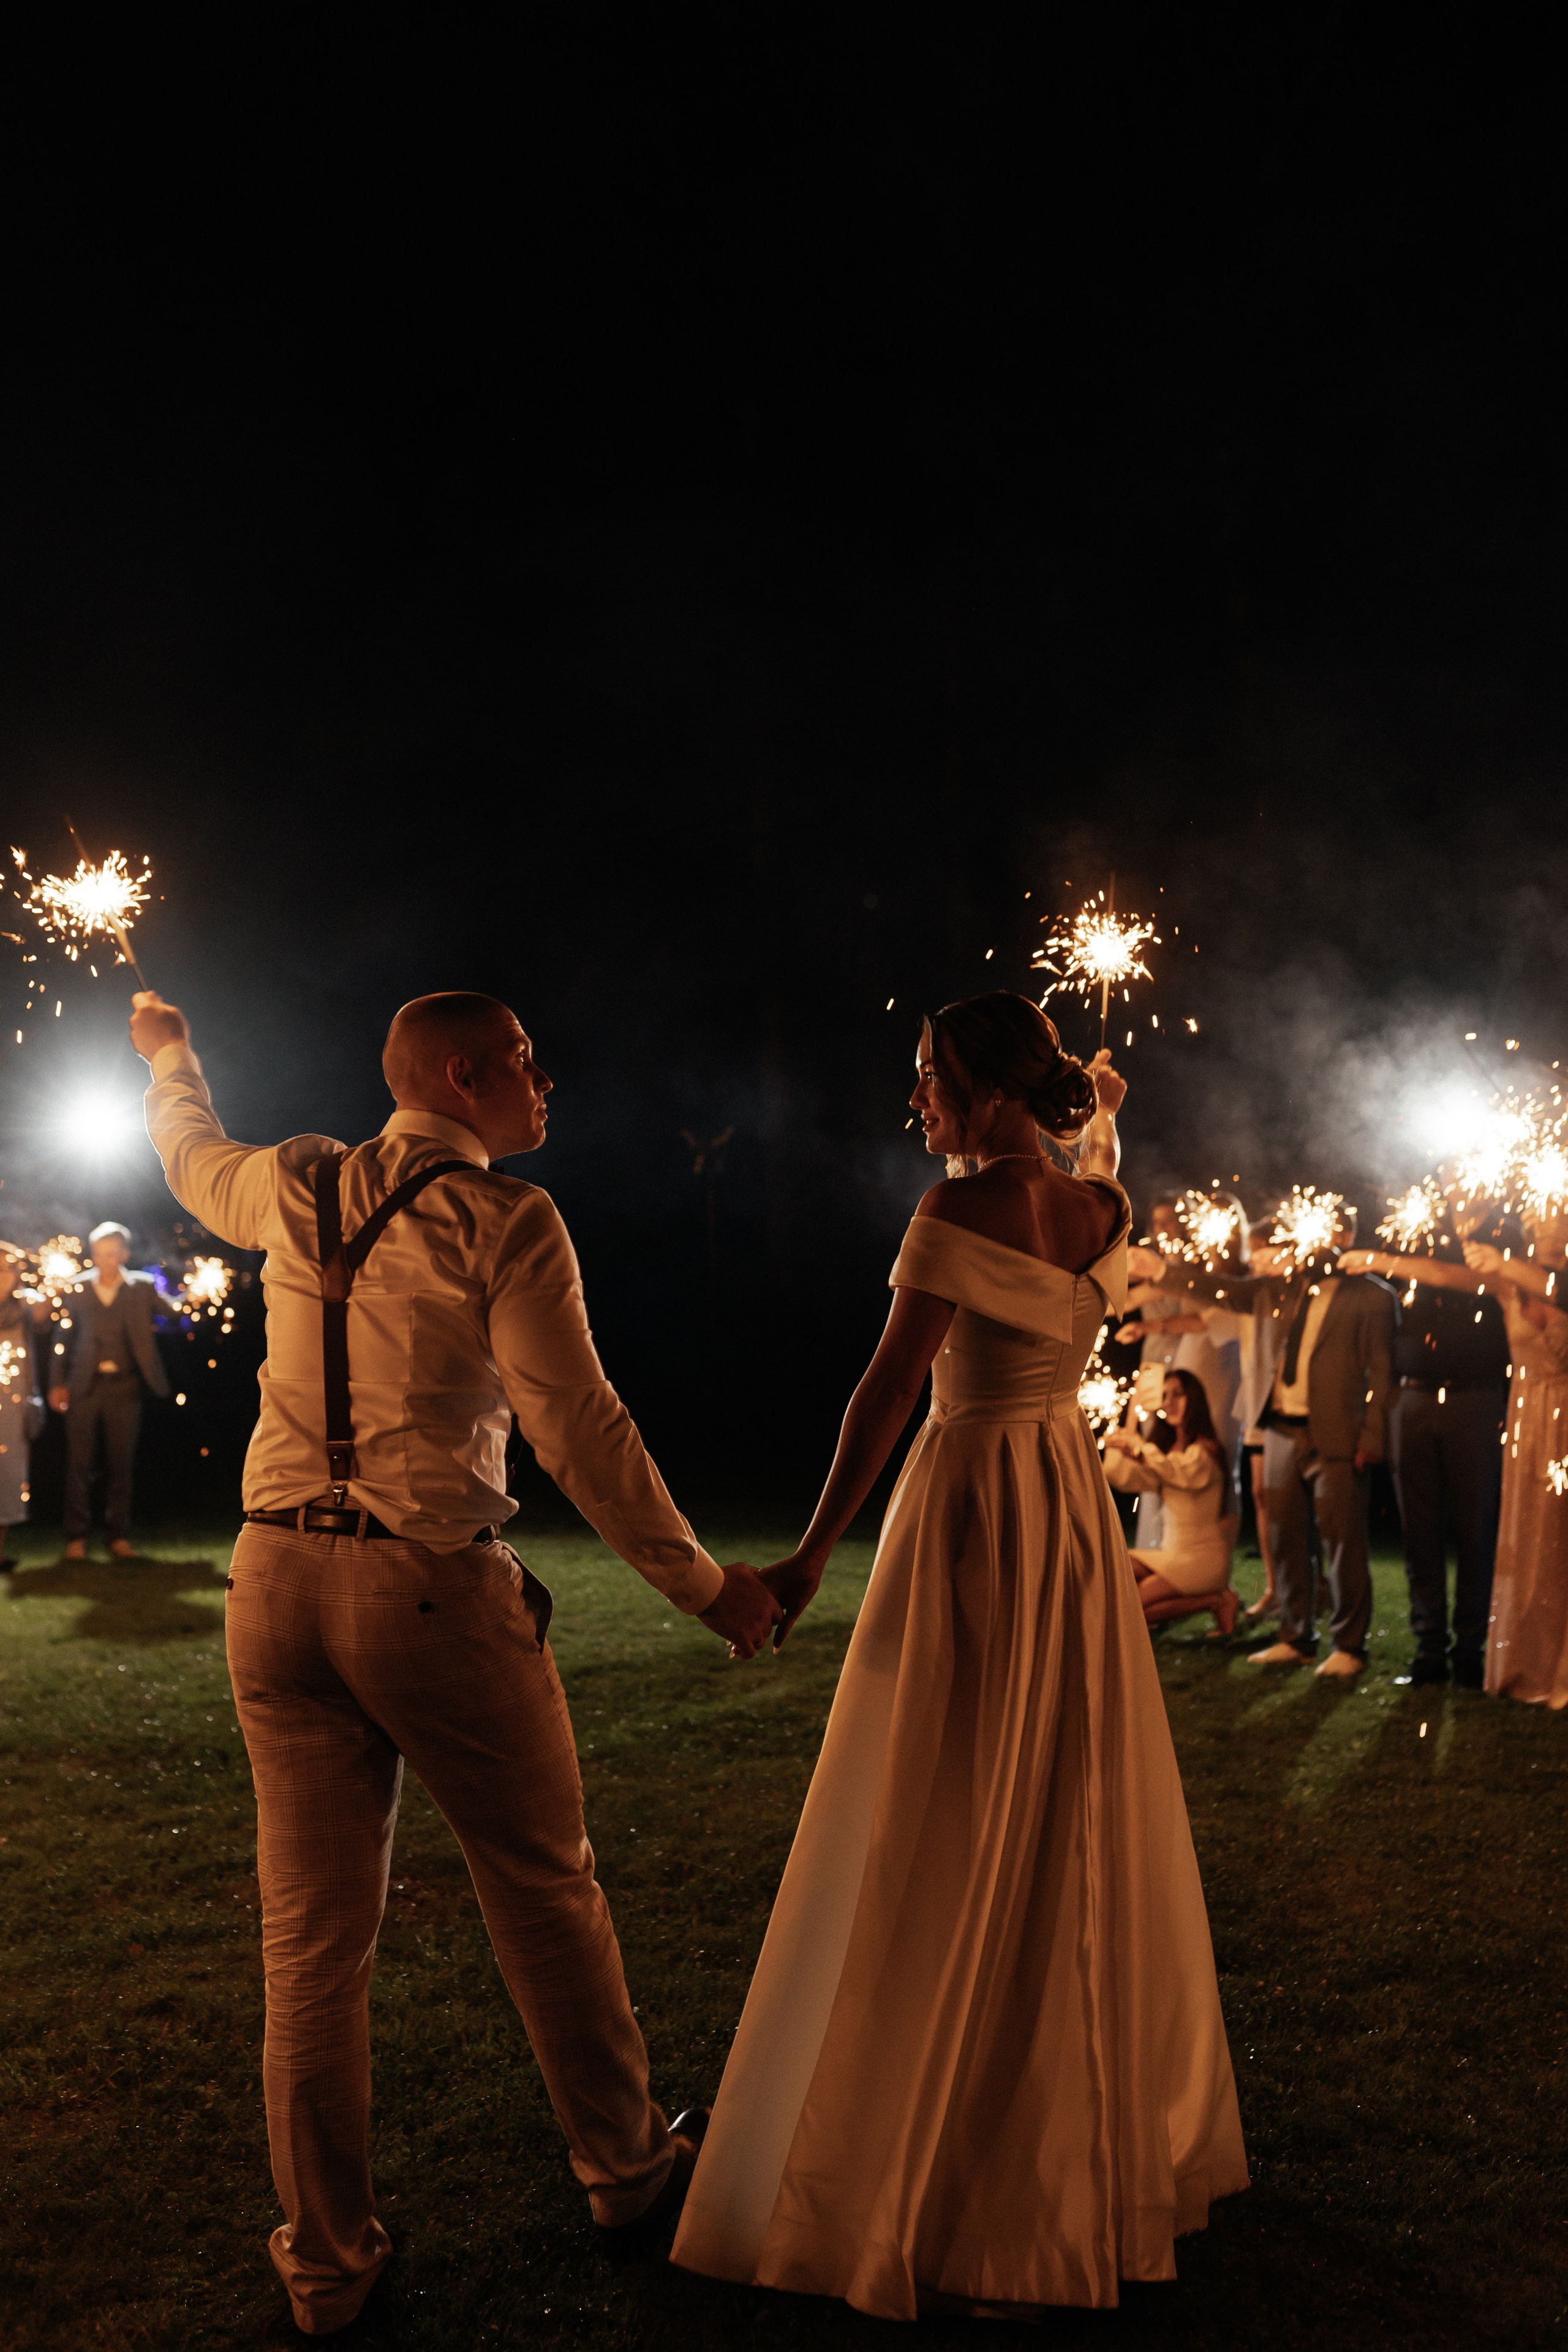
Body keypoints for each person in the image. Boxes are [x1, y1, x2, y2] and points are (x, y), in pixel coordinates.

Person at [127, 986, 780, 2340]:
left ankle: (327, 2270)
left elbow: (188, 1158)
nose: (547, 1081)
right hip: (424, 1585)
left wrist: (172, 1057)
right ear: (462, 1075)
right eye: (527, 1061)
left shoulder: (295, 1181)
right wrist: (706, 1588)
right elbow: (577, 1425)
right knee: (544, 1890)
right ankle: (628, 2175)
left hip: (271, 1582)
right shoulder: (505, 1217)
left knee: (309, 1947)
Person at [673, 992, 1246, 2318]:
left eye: (930, 1073)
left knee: (948, 1783)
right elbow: (1087, 1179)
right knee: (1059, 1785)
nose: (916, 1097)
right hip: (1067, 1509)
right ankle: (1070, 2131)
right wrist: (1099, 1121)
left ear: (986, 1086)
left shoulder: (957, 1209)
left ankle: (950, 2153)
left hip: (978, 1502)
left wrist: (811, 1554)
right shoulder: (1101, 1211)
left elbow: (886, 1392)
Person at [1133, 1205, 1394, 1680]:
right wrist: (1163, 1272)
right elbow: (1227, 1292)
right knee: (1284, 1536)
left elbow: (1382, 1369)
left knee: (1342, 1542)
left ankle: (1349, 1645)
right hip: (1278, 1428)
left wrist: (1373, 1435)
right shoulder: (1285, 1287)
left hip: (1337, 1433)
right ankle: (1296, 1637)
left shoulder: (1372, 1296)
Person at [1338, 1205, 1510, 1689]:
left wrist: (1379, 1260)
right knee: (1419, 1530)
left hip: (1474, 1398)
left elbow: (1457, 1278)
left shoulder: (1500, 1235)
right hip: (1412, 1397)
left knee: (1475, 1529)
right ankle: (1429, 1648)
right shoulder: (1420, 1230)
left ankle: (1470, 1650)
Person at [1461, 1223, 1568, 1706]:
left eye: (1557, 1222)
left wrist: (1503, 1263)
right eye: (1540, 1224)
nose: (1548, 1232)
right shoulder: (1509, 1286)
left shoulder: (1552, 1286)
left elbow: (1553, 1288)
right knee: (1530, 1537)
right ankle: (1526, 1663)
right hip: (1529, 1423)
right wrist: (1377, 1261)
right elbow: (1445, 1275)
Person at [48, 1219, 170, 1560]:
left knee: (121, 1465)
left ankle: (117, 1536)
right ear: (93, 1254)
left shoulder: (142, 1287)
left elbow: (172, 1312)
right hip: (83, 1388)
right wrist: (57, 1384)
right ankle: (76, 1538)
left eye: (113, 1253)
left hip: (125, 1388)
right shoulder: (77, 1288)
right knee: (79, 1465)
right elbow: (62, 1340)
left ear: (125, 1254)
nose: (106, 1259)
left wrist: (196, 1295)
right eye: (100, 1253)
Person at [1103, 1365, 1238, 1633]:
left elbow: (1178, 1472)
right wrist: (1128, 1427)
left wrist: (1139, 1447)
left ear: (1194, 1399)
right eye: (1165, 1396)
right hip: (1172, 1556)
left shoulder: (1205, 1452)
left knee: (1132, 1606)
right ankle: (1208, 1601)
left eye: (1178, 1394)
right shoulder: (1164, 1454)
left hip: (1202, 1559)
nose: (1170, 1402)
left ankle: (1217, 1600)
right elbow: (1124, 1479)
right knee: (1117, 1564)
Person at [1, 1249, 45, 1573]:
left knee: (7, 1473)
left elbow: (43, 1314)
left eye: (8, 1268)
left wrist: (52, 1286)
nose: (3, 1274)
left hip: (12, 1405)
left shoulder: (25, 1304)